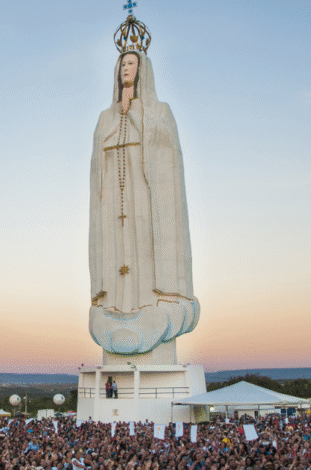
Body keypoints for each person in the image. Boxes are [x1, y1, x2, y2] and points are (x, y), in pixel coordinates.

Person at [88, 45, 199, 359]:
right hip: (113, 201)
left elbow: (167, 160)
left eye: (132, 63)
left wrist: (137, 119)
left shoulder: (158, 110)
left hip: (146, 196)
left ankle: (151, 306)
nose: (126, 68)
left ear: (143, 70)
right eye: (122, 63)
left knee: (144, 252)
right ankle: (116, 306)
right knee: (115, 253)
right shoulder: (105, 117)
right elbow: (96, 163)